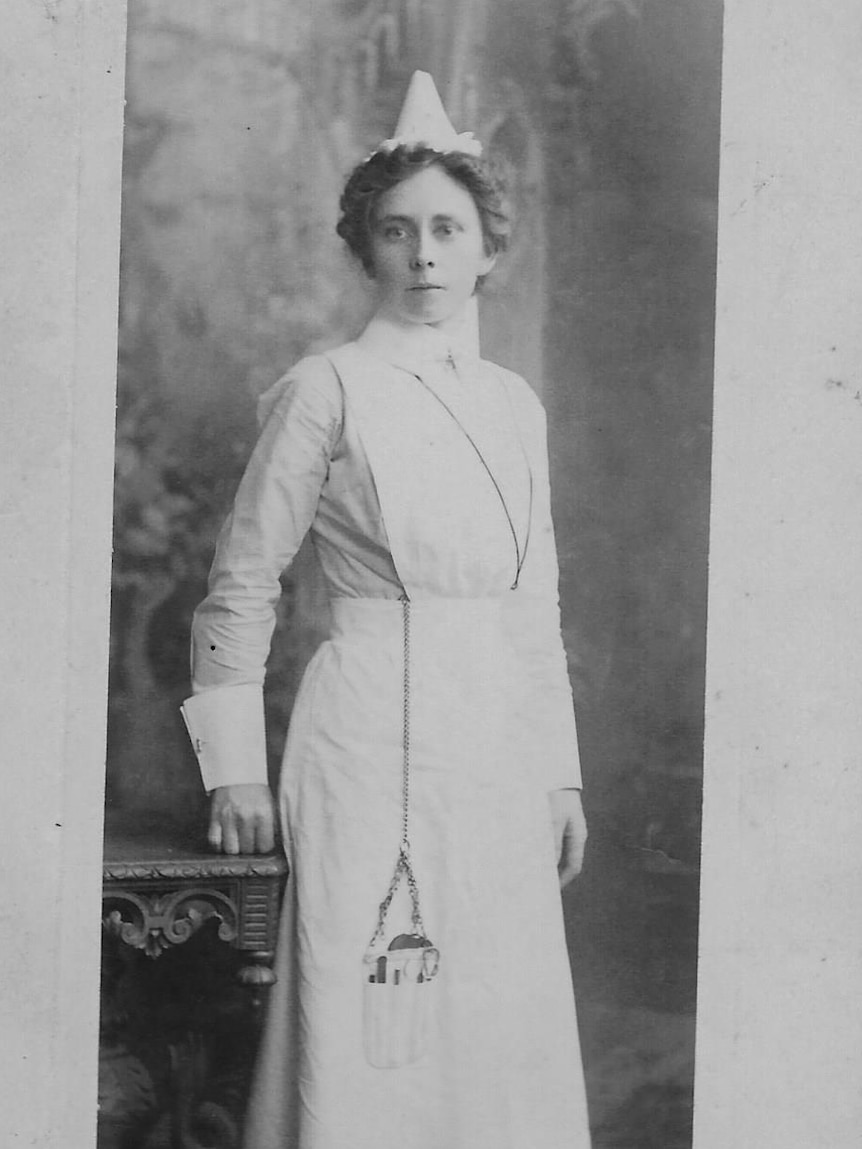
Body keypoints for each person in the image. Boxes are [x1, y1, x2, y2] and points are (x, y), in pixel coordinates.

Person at [181, 71, 591, 1149]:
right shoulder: (325, 388)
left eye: (446, 230)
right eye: (396, 231)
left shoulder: (513, 406)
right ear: (363, 247)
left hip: (497, 743)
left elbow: (532, 602)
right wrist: (231, 766)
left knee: (492, 1013)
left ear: (487, 247)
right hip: (367, 735)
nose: (422, 256)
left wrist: (558, 770)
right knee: (372, 1009)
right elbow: (243, 580)